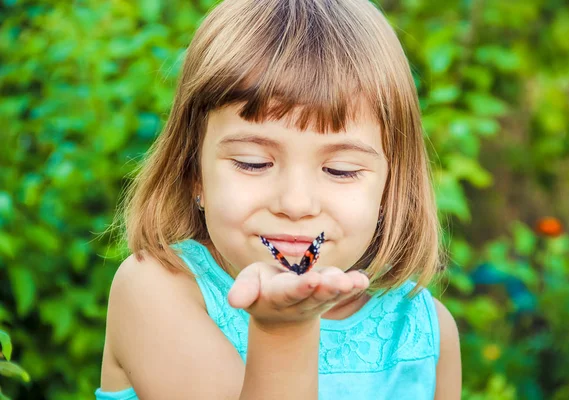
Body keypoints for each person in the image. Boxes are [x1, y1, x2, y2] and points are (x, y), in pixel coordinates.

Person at [95, 0, 461, 399]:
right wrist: (284, 331)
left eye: (340, 170)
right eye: (254, 163)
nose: (296, 203)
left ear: (390, 190)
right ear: (193, 172)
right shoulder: (155, 290)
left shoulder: (427, 332)